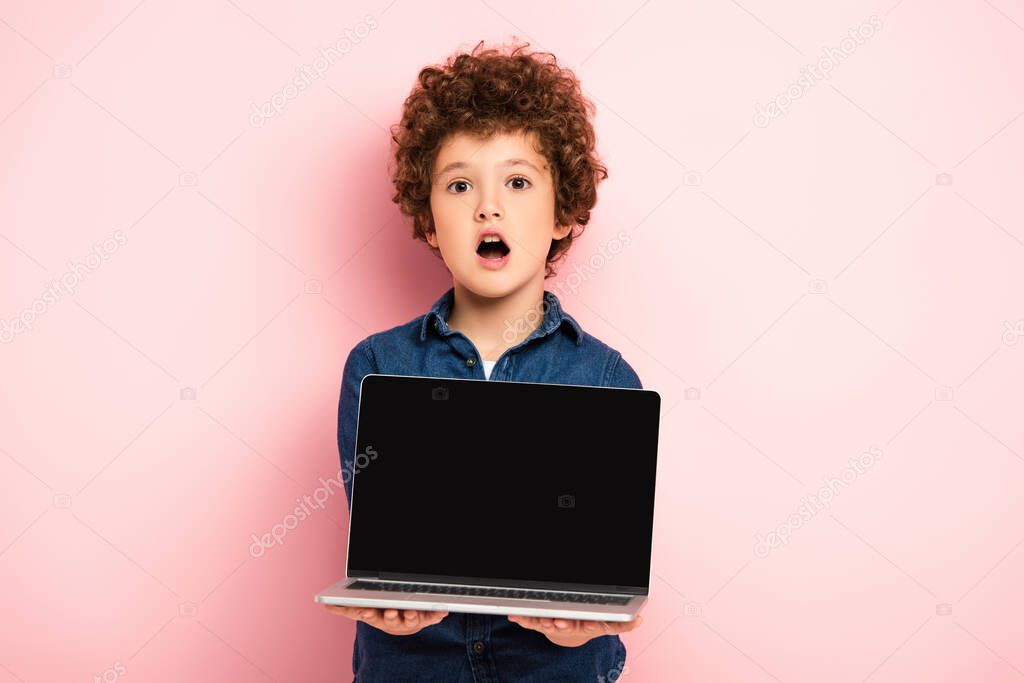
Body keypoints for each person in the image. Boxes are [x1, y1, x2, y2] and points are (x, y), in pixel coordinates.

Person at [324, 38, 645, 682]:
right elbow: (382, 544)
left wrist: (589, 617)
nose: (488, 206)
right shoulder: (377, 365)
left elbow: (607, 561)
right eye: (461, 183)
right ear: (430, 218)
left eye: (518, 181)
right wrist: (388, 600)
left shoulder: (607, 379)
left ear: (562, 215)